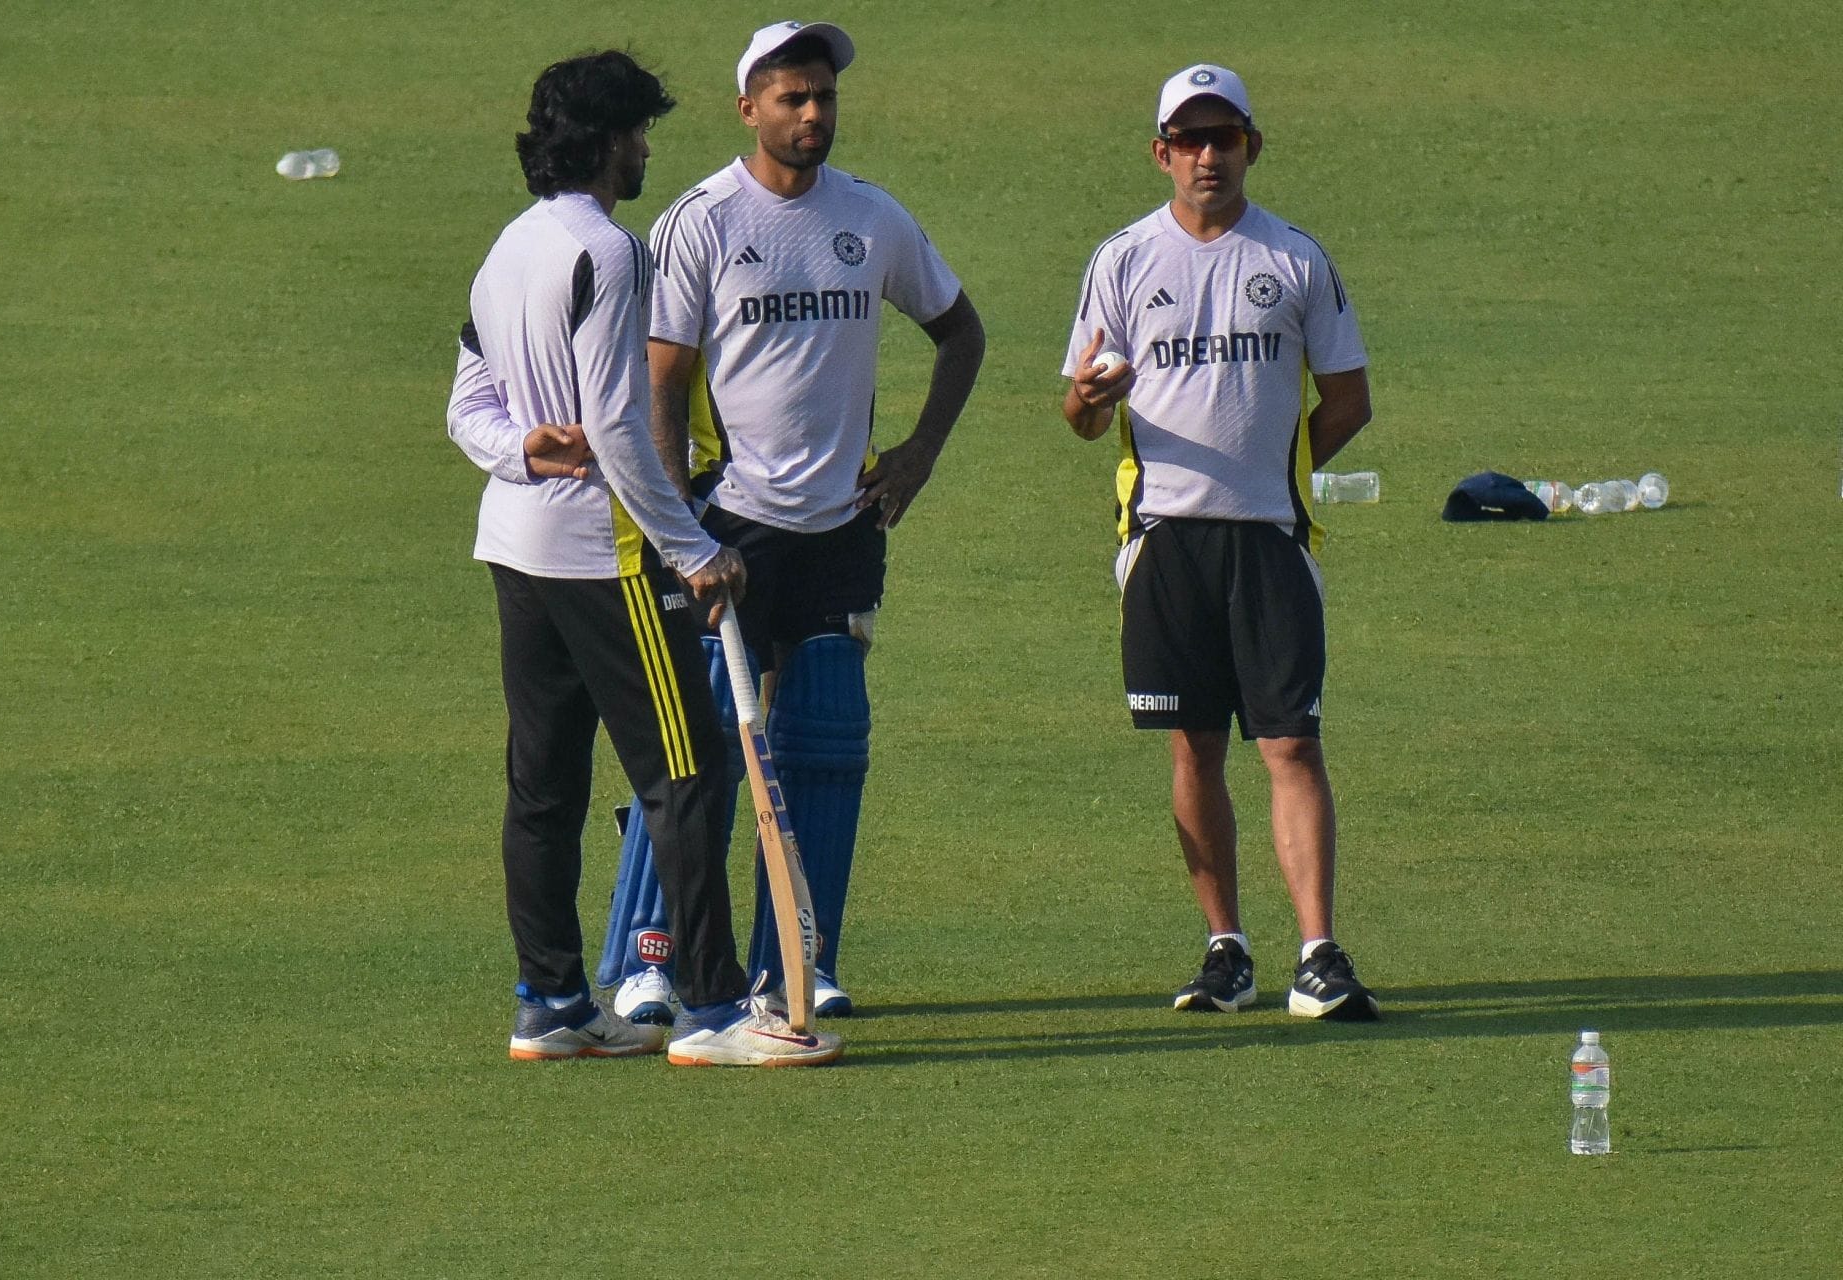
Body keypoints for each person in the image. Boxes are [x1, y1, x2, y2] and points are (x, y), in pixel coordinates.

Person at [447, 50, 842, 1066]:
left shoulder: (508, 247)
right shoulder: (613, 254)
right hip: (603, 559)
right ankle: (712, 1010)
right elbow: (620, 428)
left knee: (542, 785)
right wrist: (693, 546)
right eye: (638, 131)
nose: (648, 147)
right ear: (608, 141)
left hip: (516, 546)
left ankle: (552, 1001)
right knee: (689, 770)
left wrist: (516, 450)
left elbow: (468, 403)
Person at [598, 19, 985, 1022]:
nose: (813, 114)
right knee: (705, 746)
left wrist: (919, 452)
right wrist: (681, 529)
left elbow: (960, 328)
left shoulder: (870, 218)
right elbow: (663, 383)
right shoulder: (701, 222)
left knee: (825, 739)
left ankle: (799, 957)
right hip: (732, 523)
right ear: (749, 108)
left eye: (824, 97)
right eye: (792, 98)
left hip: (843, 525)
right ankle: (653, 956)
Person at [1060, 63, 1380, 1020]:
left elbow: (1350, 399)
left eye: (1224, 138)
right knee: (1193, 748)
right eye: (1189, 141)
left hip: (1271, 541)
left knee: (1291, 744)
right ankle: (1226, 949)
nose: (1208, 156)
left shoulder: (1295, 261)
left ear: (1252, 147)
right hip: (1162, 540)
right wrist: (1090, 396)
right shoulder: (1121, 261)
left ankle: (1318, 954)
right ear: (1161, 154)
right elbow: (1076, 414)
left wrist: (1272, 470)